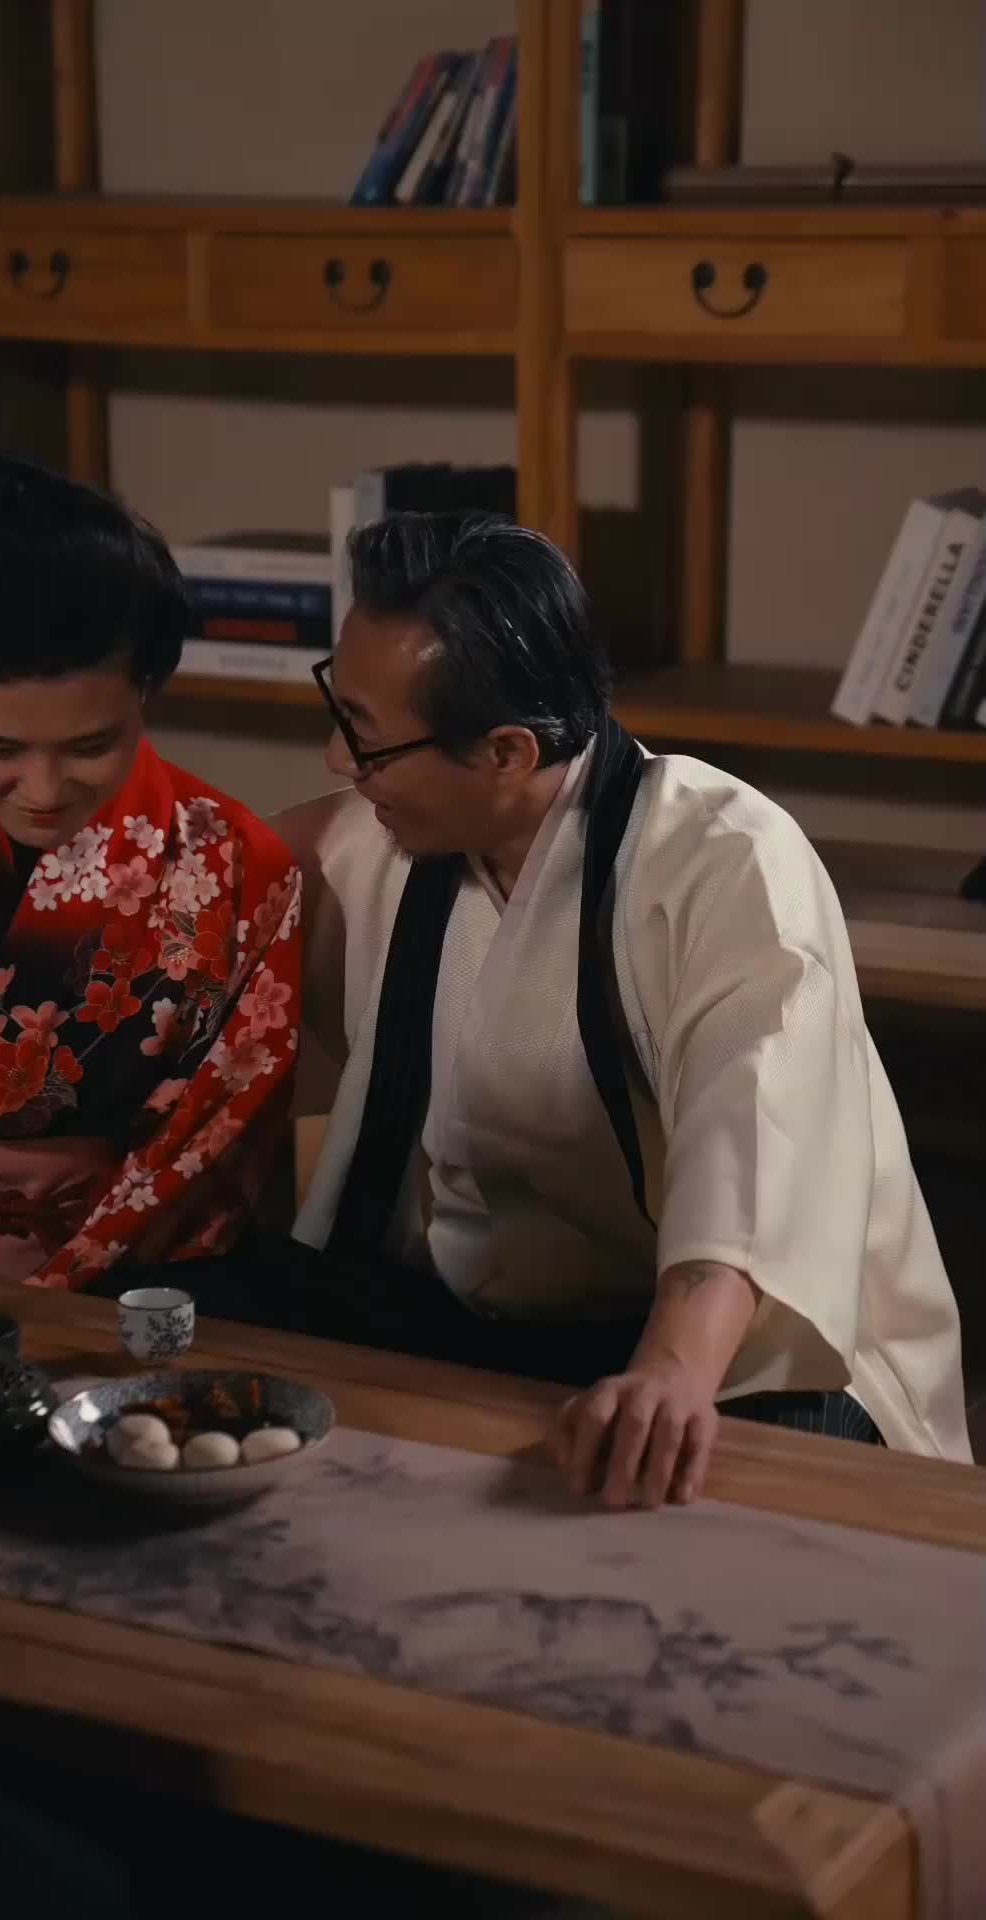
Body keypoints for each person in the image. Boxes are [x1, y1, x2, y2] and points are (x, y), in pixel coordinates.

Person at [268, 509, 971, 1509]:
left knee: (712, 1506)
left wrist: (671, 1373)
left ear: (507, 752)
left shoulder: (725, 861)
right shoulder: (387, 838)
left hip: (727, 1337)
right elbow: (204, 883)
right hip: (479, 1316)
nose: (340, 764)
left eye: (364, 738)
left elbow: (753, 1146)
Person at [0, 449, 300, 1289]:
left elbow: (215, 1138)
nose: (43, 789)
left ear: (146, 689)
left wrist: (69, 1298)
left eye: (91, 744)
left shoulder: (232, 862)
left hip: (105, 1278)